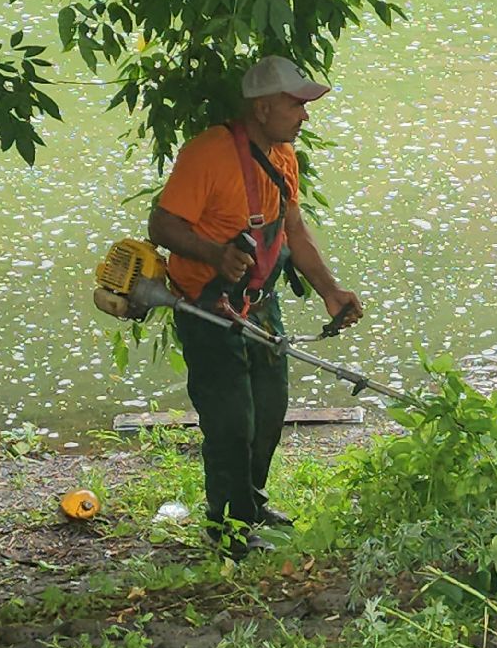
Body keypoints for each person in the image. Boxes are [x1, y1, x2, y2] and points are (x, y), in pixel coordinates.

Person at [148, 55, 363, 557]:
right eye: (297, 105)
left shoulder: (283, 155)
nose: (305, 116)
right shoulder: (207, 154)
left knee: (269, 410)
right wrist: (213, 253)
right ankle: (228, 530)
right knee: (230, 422)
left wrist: (331, 290)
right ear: (263, 108)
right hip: (207, 306)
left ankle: (250, 501)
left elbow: (293, 229)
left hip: (259, 304)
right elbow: (161, 227)